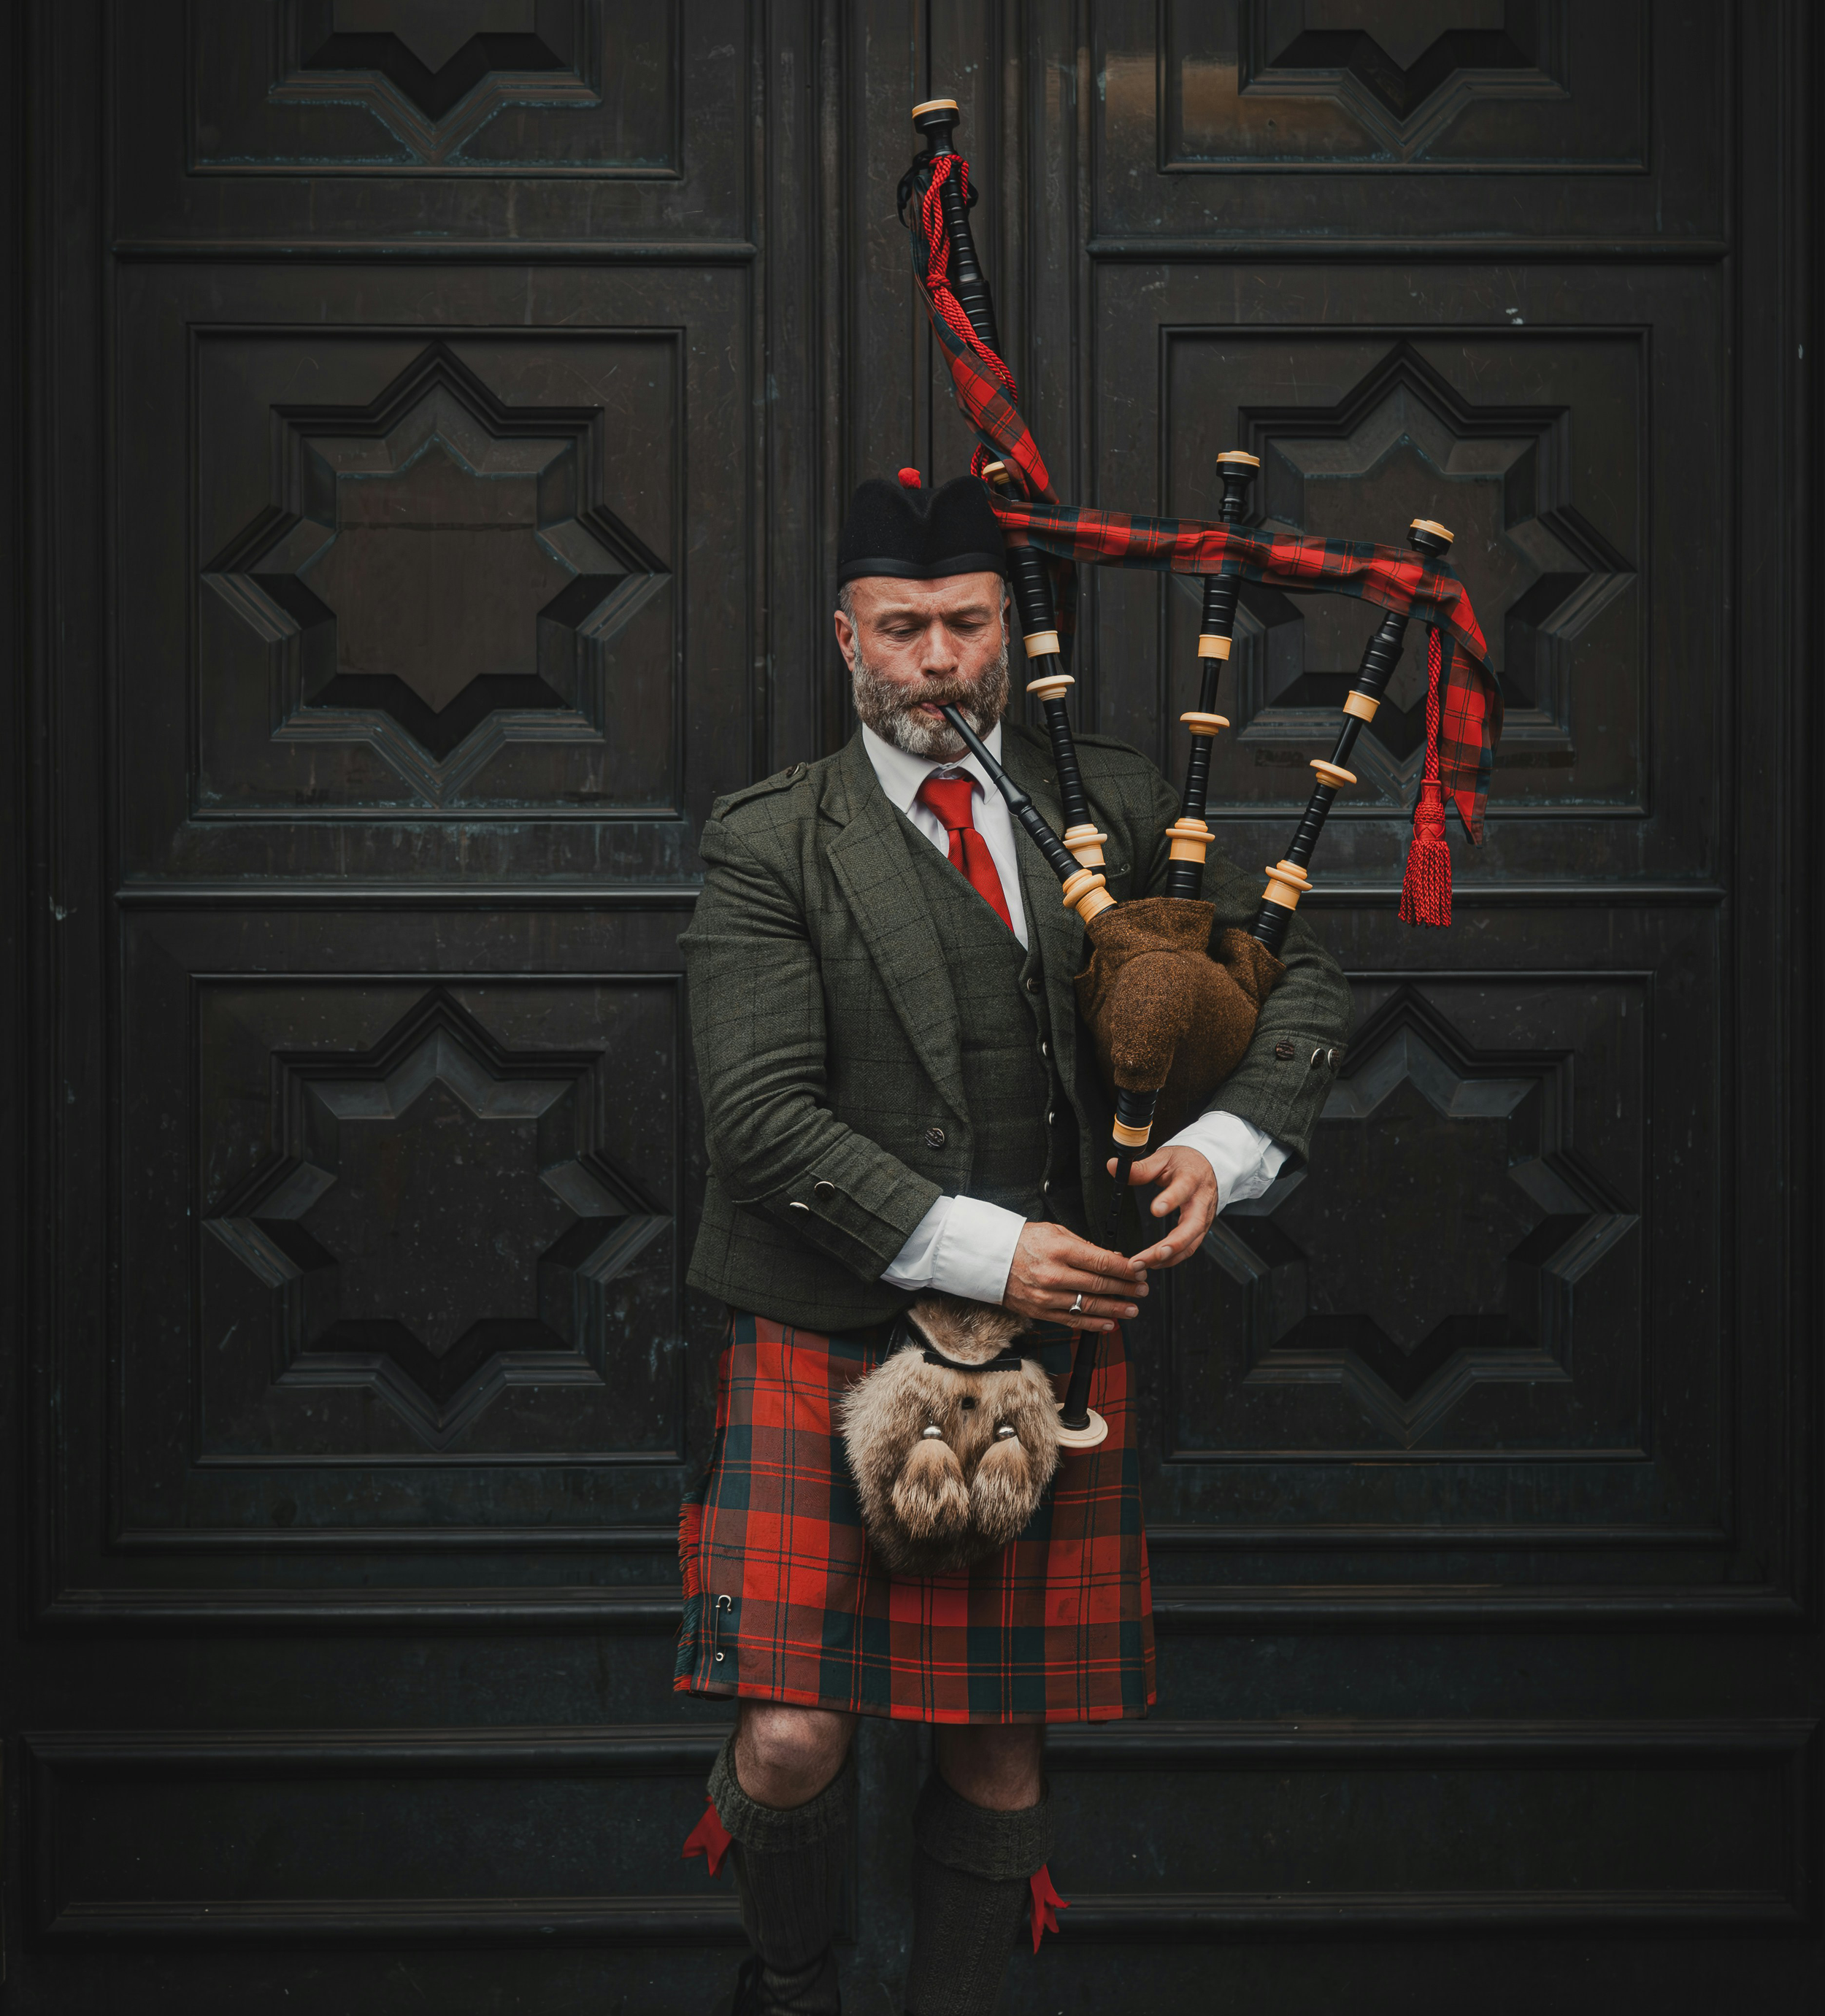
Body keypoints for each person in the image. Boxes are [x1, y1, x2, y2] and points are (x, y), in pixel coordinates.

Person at [675, 471, 1351, 2015]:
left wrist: (1218, 1144)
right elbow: (758, 1123)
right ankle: (789, 1987)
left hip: (1048, 1356)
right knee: (790, 1734)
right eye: (899, 628)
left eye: (963, 625)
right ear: (844, 638)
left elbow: (1292, 976)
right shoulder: (770, 844)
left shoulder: (1107, 805)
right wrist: (987, 1250)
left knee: (992, 1741)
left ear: (1007, 634)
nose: (932, 661)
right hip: (823, 1326)